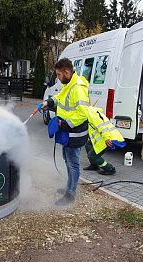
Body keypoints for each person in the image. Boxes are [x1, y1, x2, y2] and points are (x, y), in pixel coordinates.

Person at [38, 58, 90, 206]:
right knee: (67, 160)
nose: (58, 79)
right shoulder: (69, 84)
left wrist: (65, 123)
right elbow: (60, 97)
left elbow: (83, 114)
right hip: (67, 132)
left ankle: (71, 194)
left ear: (67, 72)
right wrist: (48, 102)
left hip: (75, 133)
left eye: (59, 75)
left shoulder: (78, 88)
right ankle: (69, 187)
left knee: (73, 164)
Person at [84, 106, 125, 175]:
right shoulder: (91, 112)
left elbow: (101, 126)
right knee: (88, 145)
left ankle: (109, 168)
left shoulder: (91, 114)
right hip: (103, 137)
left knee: (92, 156)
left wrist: (106, 138)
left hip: (107, 138)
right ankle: (94, 165)